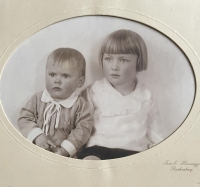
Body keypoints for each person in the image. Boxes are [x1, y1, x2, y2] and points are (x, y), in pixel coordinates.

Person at [78, 29, 166, 160]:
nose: (114, 66)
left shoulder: (146, 96)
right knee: (89, 164)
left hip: (134, 152)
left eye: (123, 60)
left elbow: (157, 133)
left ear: (138, 61)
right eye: (108, 59)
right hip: (99, 149)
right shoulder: (95, 91)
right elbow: (81, 125)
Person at [18, 48, 94, 157]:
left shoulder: (81, 106)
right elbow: (24, 119)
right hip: (35, 150)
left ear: (80, 82)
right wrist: (38, 137)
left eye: (65, 76)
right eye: (52, 74)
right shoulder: (37, 99)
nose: (57, 80)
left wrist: (65, 150)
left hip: (65, 156)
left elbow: (83, 130)